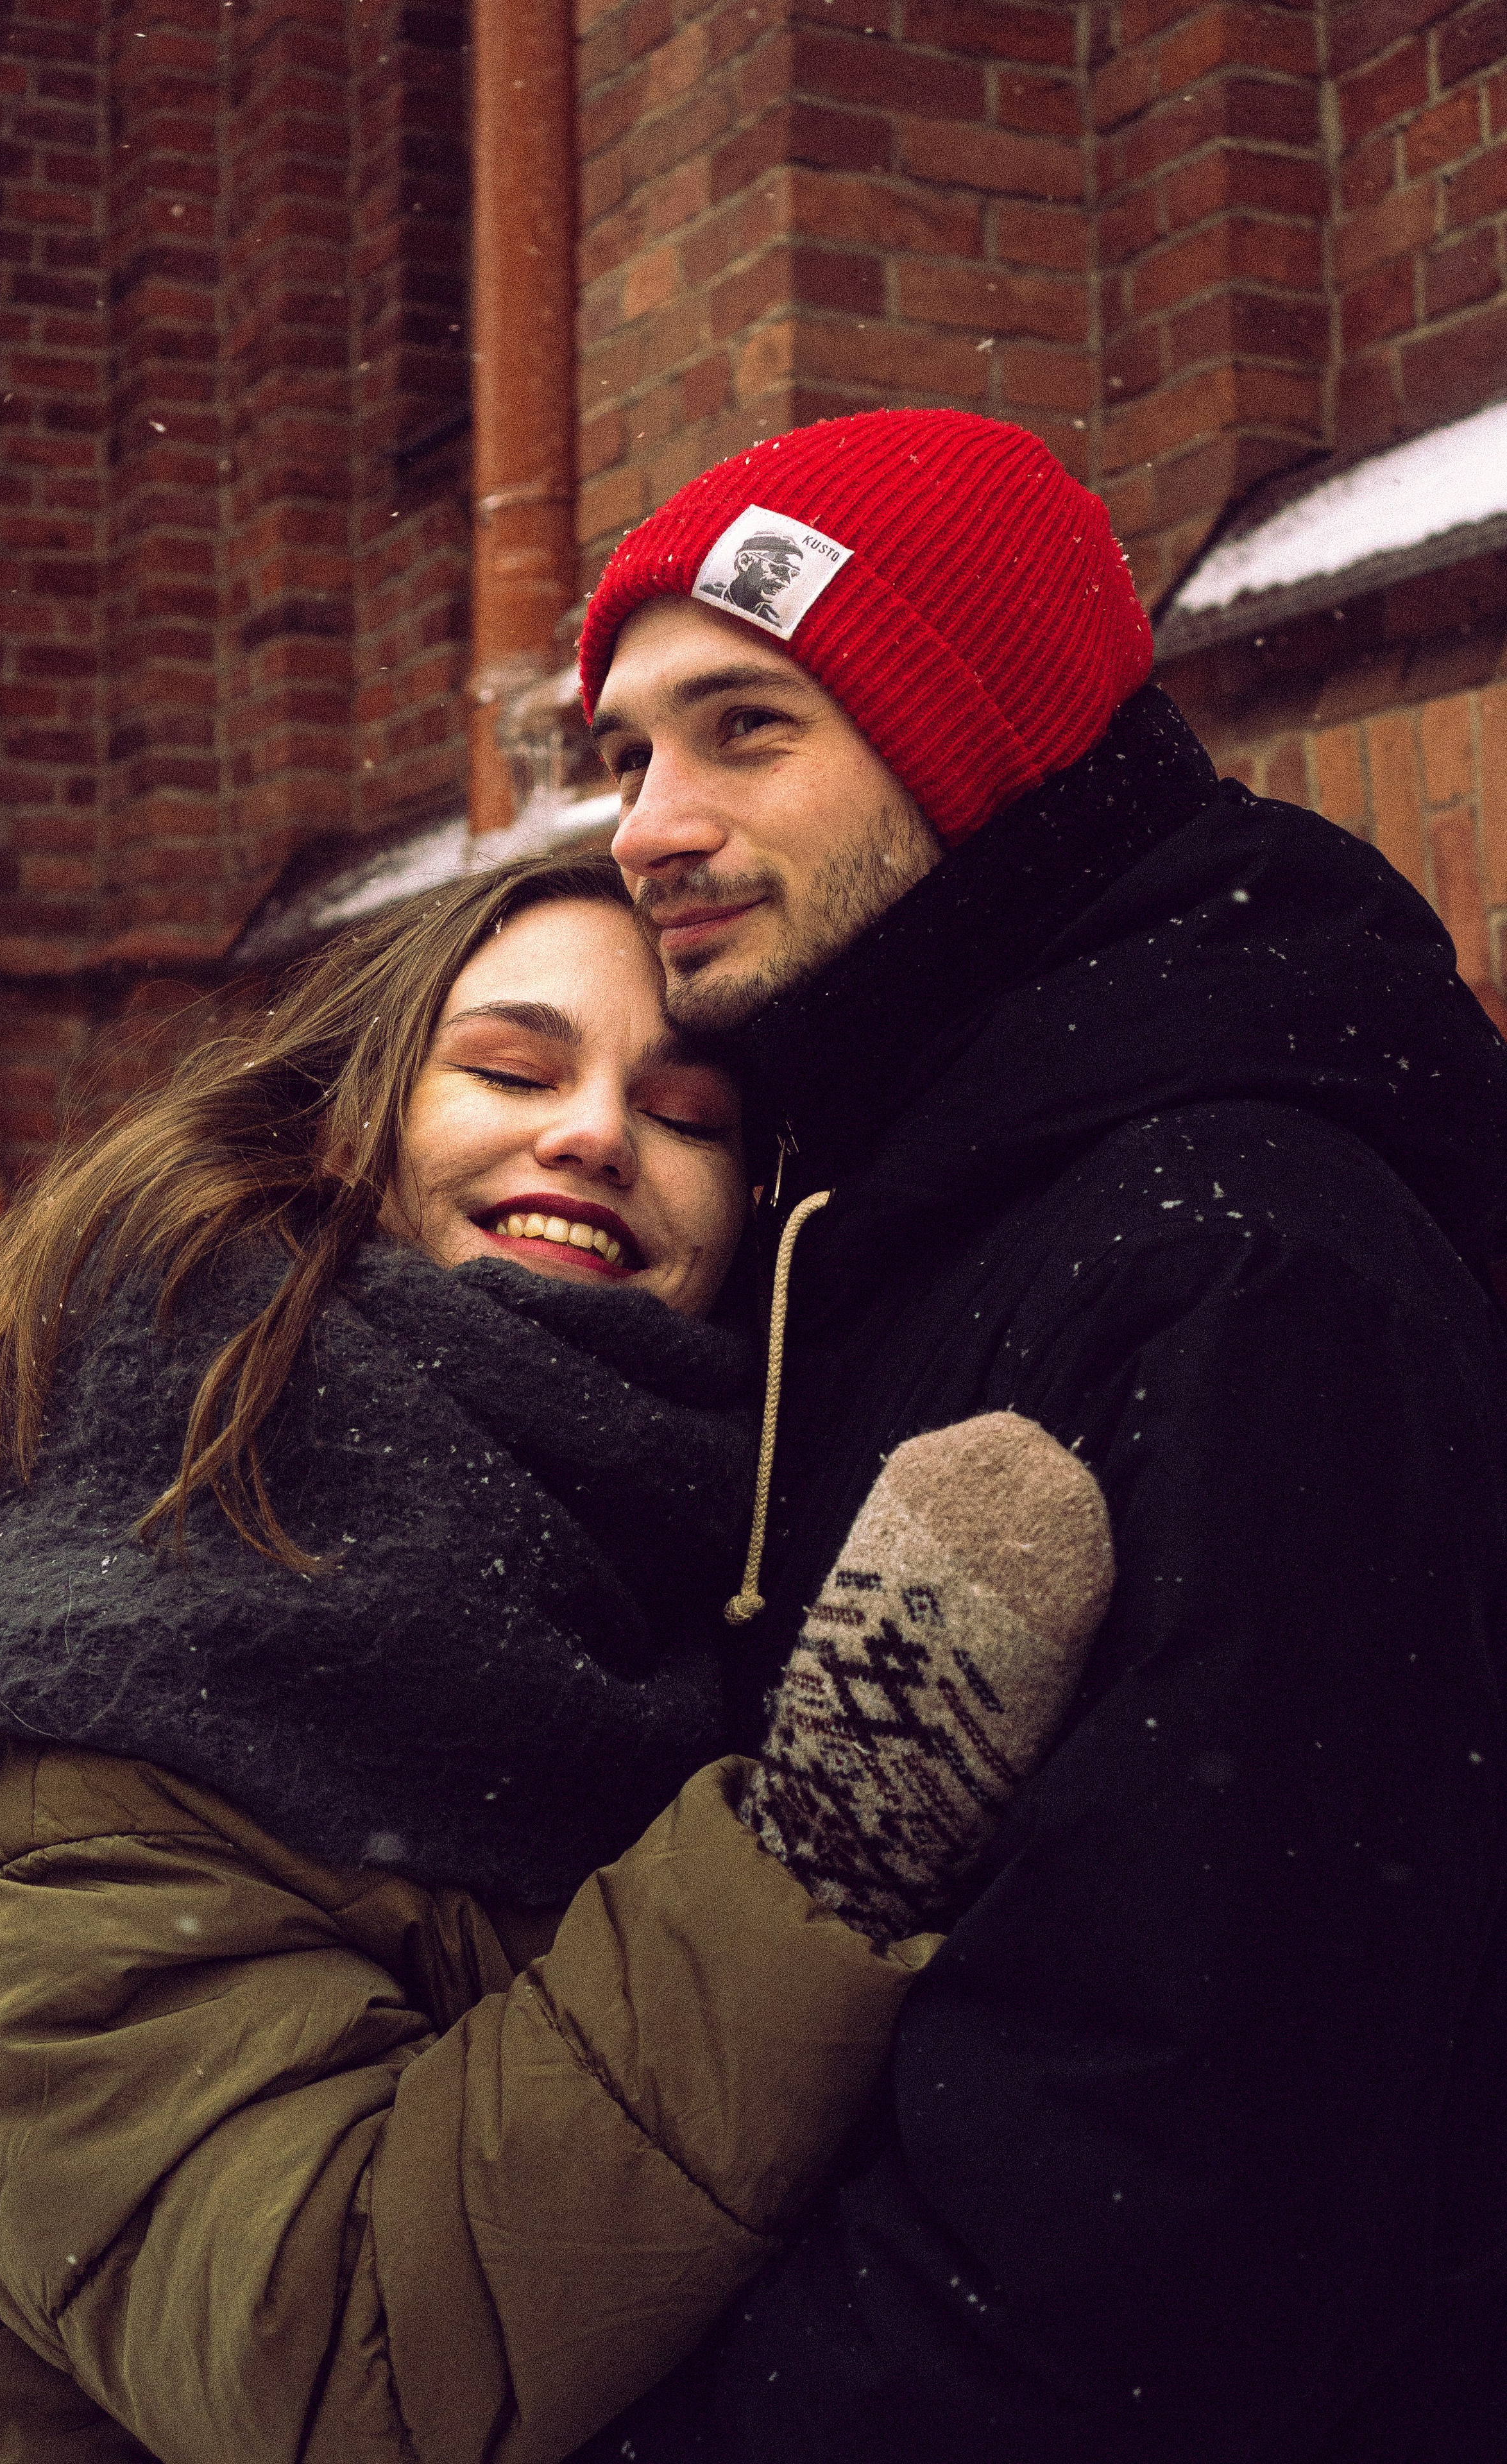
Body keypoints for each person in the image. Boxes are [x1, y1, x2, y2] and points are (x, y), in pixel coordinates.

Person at [0, 847, 1116, 2461]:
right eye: (510, 1069)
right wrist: (816, 1855)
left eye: (684, 1117)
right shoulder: (98, 1656)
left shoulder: (689, 1581)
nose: (594, 1133)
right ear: (346, 1135)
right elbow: (337, 2355)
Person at [573, 407, 1507, 2463]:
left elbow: (1161, 2217)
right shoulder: (871, 1193)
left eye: (743, 728)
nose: (645, 822)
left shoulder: (1238, 1271)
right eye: (628, 751)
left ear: (974, 740)